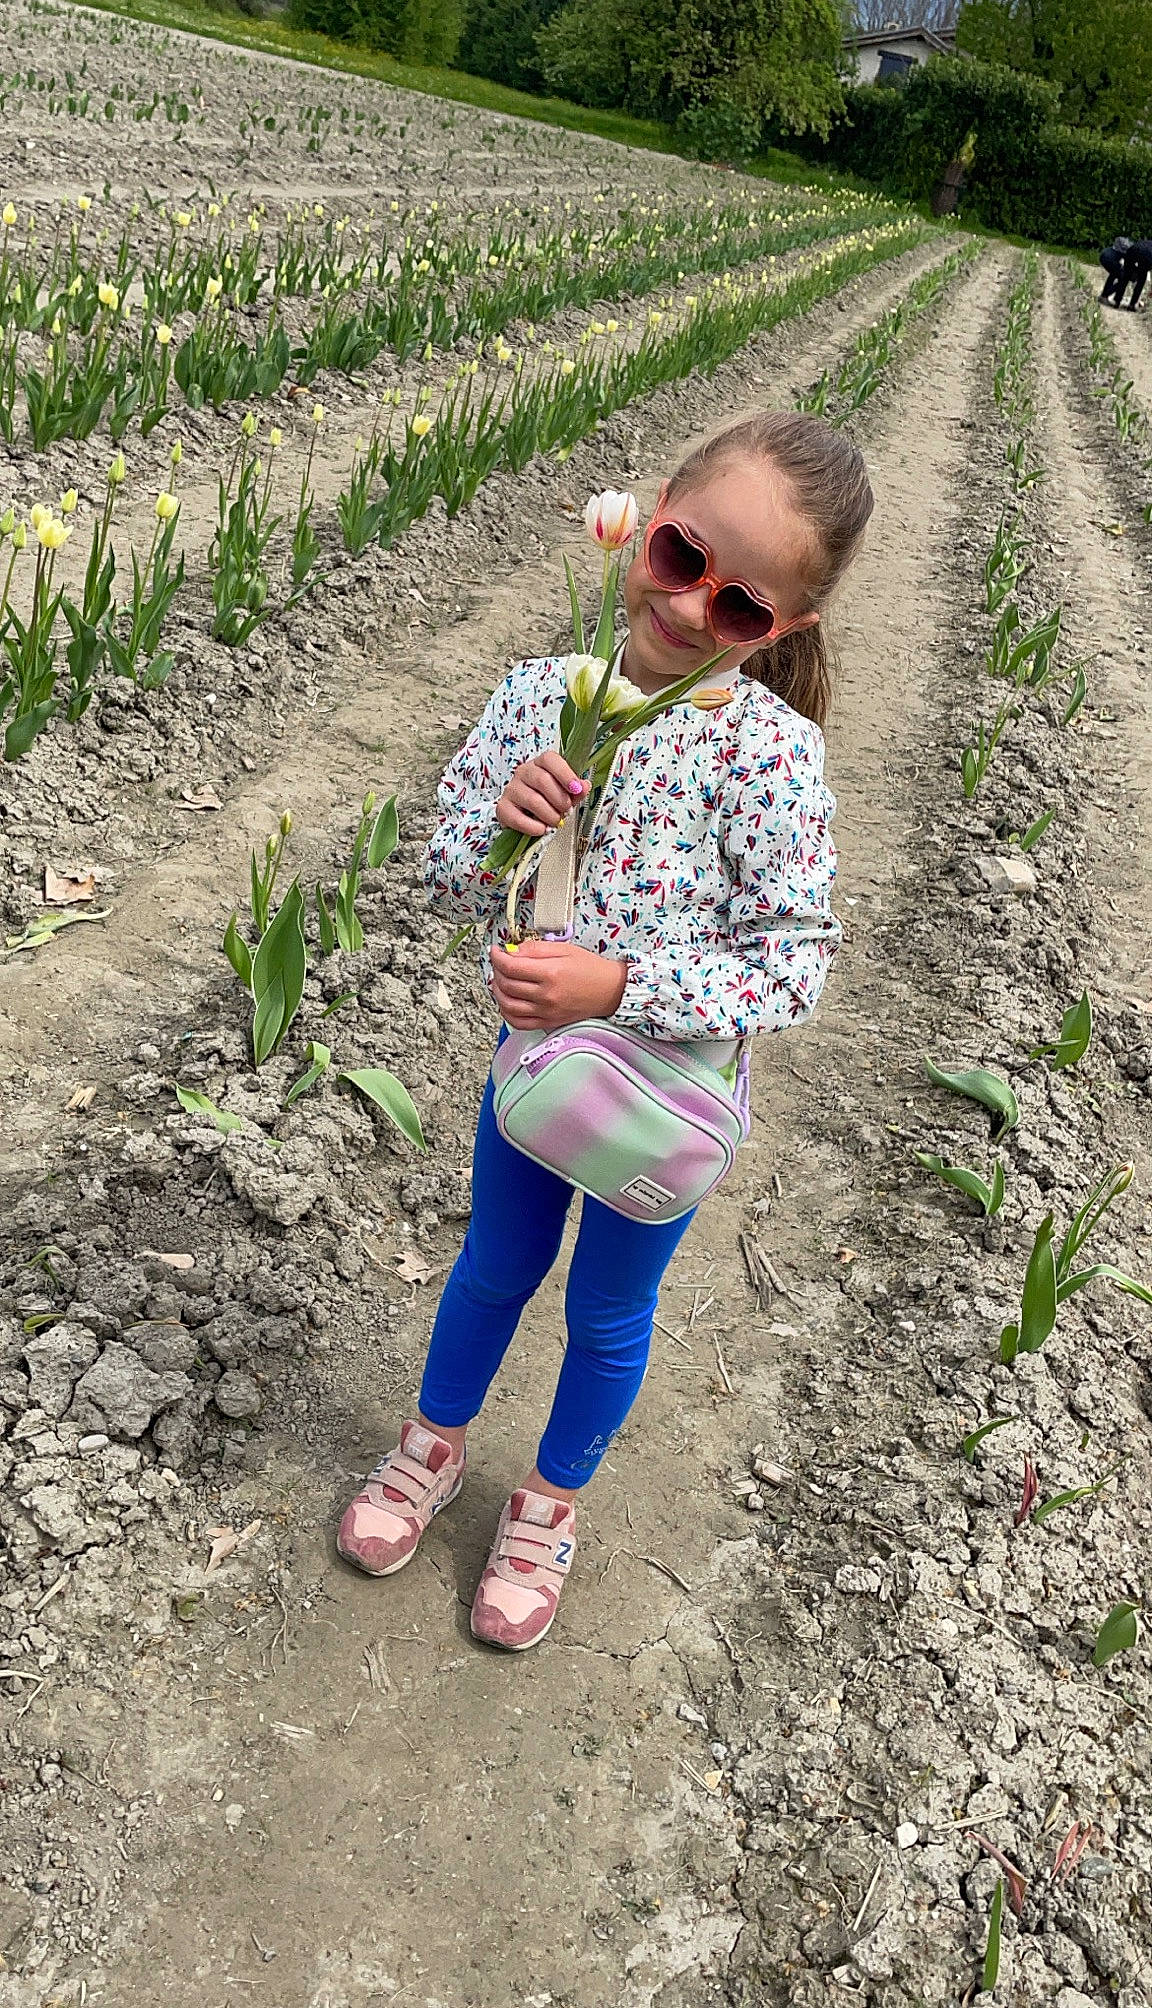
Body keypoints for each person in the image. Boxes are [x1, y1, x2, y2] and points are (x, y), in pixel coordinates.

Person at [336, 411, 873, 1652]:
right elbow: (453, 878)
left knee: (610, 1312)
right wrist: (502, 828)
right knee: (492, 1264)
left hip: (660, 1101)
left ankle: (549, 1504)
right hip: (535, 1077)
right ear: (647, 517)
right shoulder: (540, 694)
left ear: (782, 629)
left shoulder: (768, 755)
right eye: (682, 555)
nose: (690, 608)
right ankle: (433, 1443)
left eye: (741, 606)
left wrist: (616, 982)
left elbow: (794, 962)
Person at [1100, 237, 1133, 307]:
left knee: (1113, 274)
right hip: (1109, 259)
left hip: (1104, 253)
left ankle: (1104, 295)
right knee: (1123, 279)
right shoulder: (1130, 250)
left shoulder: (1126, 244)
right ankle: (1104, 295)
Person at [1123, 238, 1152, 310]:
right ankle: (1132, 305)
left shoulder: (1148, 242)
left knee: (1127, 274)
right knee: (1141, 279)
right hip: (1145, 255)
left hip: (1132, 249)